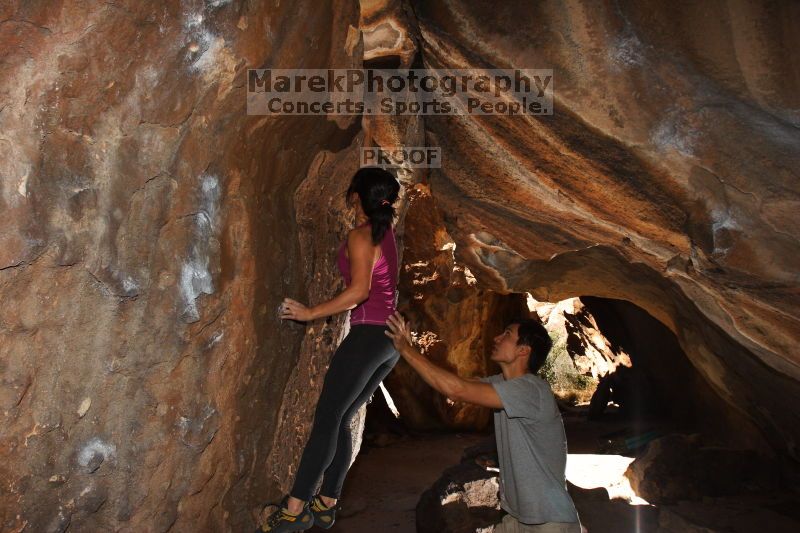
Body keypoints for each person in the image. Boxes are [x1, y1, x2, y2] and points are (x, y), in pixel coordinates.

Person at [257, 167, 401, 533]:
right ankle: (327, 503)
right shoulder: (387, 234)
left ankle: (294, 510)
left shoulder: (361, 235)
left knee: (327, 419)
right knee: (342, 416)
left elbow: (359, 292)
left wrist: (309, 313)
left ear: (356, 196)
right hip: (388, 343)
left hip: (368, 337)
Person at [385, 312, 583, 533]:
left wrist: (405, 349)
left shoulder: (531, 389)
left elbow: (456, 390)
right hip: (517, 518)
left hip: (549, 522)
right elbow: (455, 385)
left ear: (523, 350)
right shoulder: (502, 384)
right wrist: (414, 352)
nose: (497, 338)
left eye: (507, 335)